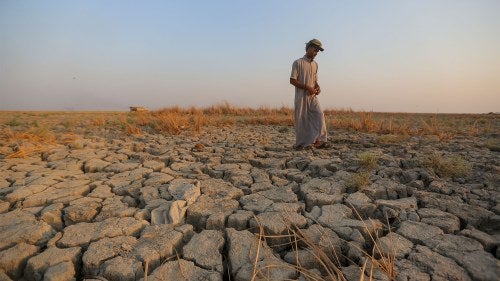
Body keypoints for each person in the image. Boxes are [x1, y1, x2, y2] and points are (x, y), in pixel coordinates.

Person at [290, 39, 329, 150]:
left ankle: (321, 140)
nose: (316, 52)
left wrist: (317, 87)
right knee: (302, 119)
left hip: (312, 96)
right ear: (308, 48)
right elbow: (292, 80)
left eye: (317, 51)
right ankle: (302, 144)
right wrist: (307, 87)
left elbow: (315, 80)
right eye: (315, 49)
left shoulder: (315, 65)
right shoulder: (298, 62)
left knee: (319, 114)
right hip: (301, 96)